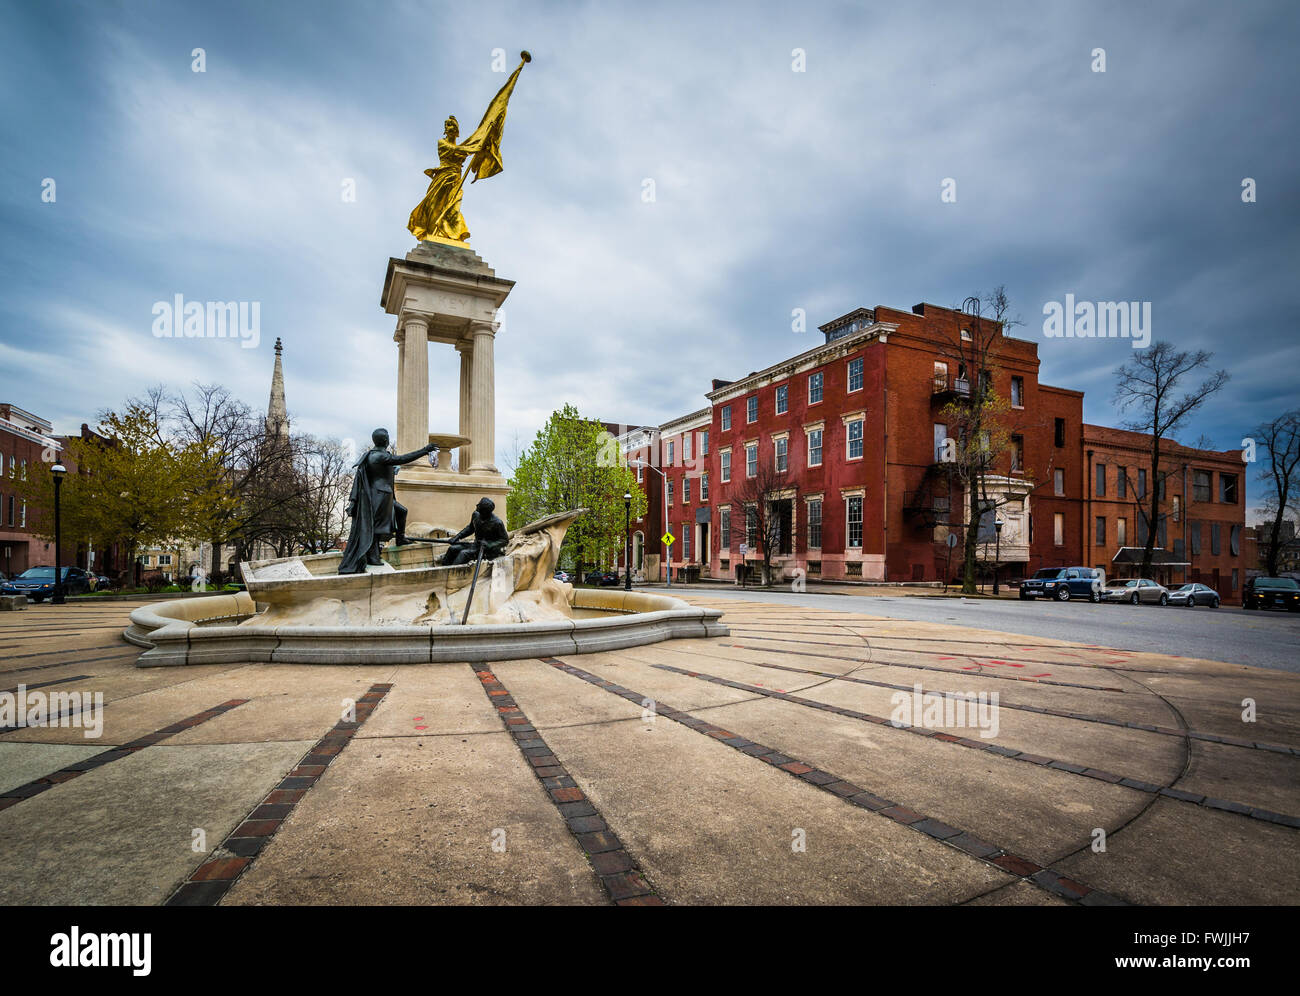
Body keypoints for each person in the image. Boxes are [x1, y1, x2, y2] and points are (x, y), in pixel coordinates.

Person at [339, 429, 436, 574]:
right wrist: (425, 450)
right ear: (385, 440)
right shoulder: (379, 456)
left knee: (401, 511)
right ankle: (373, 556)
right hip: (379, 496)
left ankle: (400, 538)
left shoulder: (374, 455)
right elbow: (403, 459)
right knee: (376, 527)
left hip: (382, 495)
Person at [440, 497, 509, 567]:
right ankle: (443, 569)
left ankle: (451, 572)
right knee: (452, 549)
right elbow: (470, 528)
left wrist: (489, 544)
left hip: (487, 551)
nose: (476, 506)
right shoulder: (476, 515)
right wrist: (457, 537)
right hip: (476, 545)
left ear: (485, 512)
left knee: (463, 554)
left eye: (479, 508)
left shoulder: (497, 523)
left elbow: (504, 540)